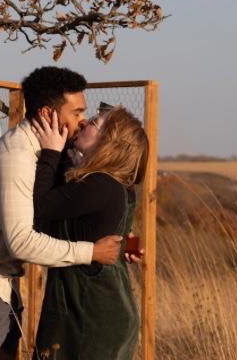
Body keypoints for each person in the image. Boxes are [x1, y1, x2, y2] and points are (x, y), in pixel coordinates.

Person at [0, 66, 124, 360]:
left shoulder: (39, 153)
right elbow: (21, 242)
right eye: (76, 112)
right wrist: (92, 252)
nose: (83, 120)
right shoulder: (17, 156)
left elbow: (51, 216)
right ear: (48, 114)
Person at [31, 106, 148, 360]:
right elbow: (104, 226)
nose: (85, 123)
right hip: (107, 311)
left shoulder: (99, 185)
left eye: (94, 122)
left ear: (108, 143)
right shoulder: (118, 185)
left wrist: (50, 152)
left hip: (89, 320)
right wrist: (128, 247)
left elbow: (40, 206)